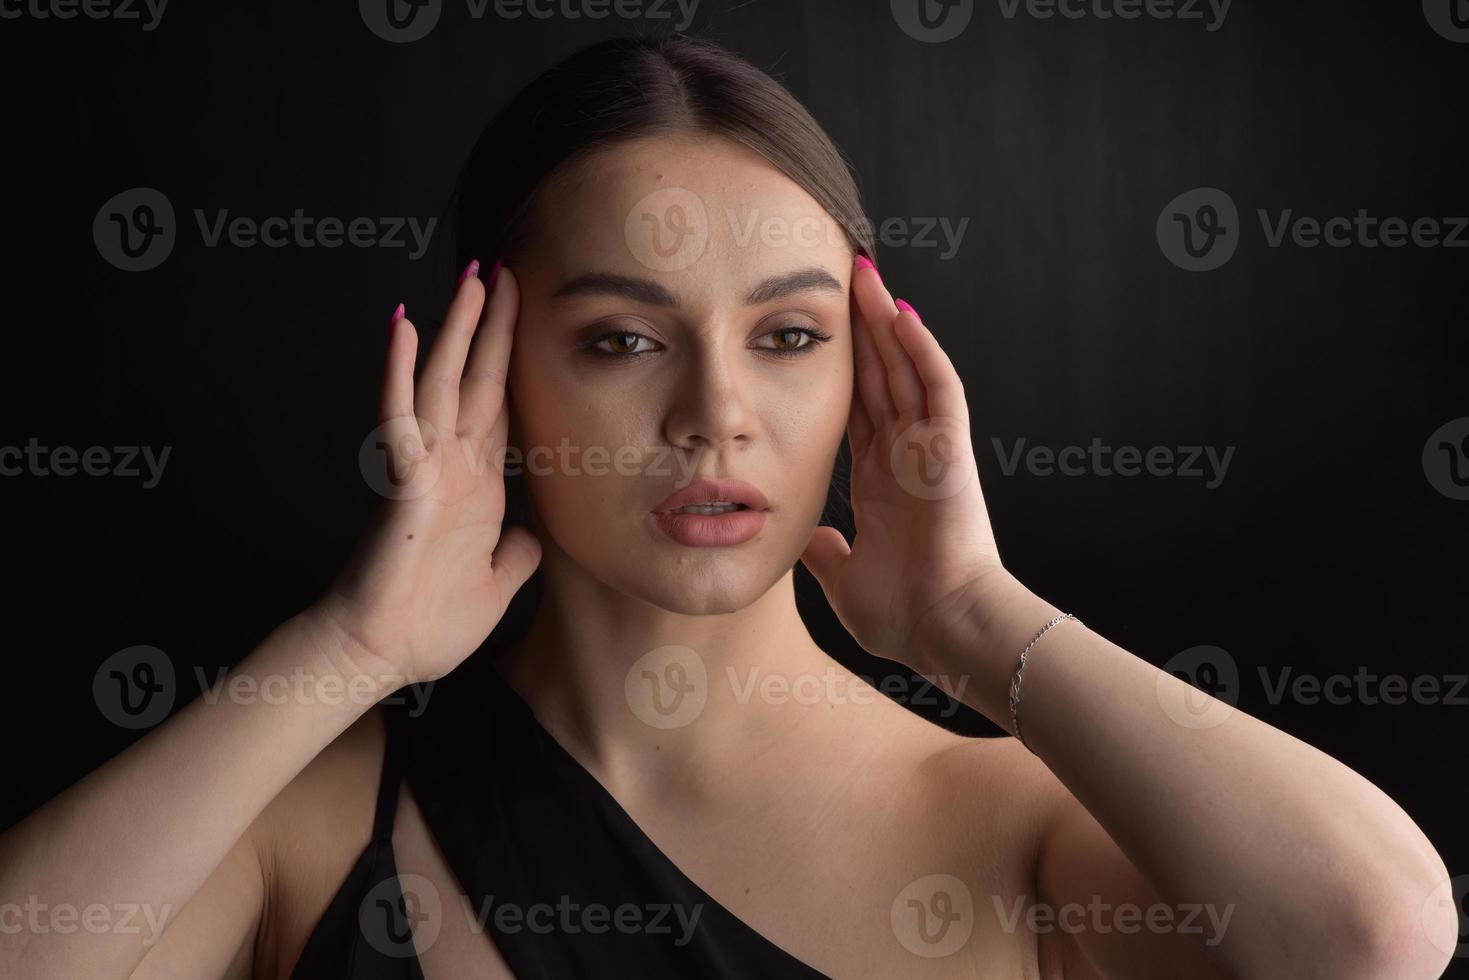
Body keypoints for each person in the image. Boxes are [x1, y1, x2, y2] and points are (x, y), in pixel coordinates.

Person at [0, 33, 1456, 980]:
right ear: (487, 371)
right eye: (622, 340)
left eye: (787, 334)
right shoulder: (314, 823)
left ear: (866, 373)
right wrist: (348, 651)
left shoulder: (1021, 819)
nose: (714, 414)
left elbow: (1374, 936)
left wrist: (969, 619)